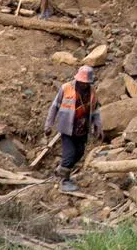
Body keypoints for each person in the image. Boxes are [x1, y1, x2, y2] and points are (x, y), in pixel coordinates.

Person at [44, 65, 102, 193]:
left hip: (82, 129)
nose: (84, 85)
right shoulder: (66, 88)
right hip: (67, 128)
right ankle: (64, 181)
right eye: (82, 82)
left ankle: (61, 170)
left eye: (86, 83)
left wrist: (98, 127)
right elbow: (54, 107)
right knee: (69, 155)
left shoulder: (92, 91)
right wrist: (48, 125)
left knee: (80, 152)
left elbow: (96, 110)